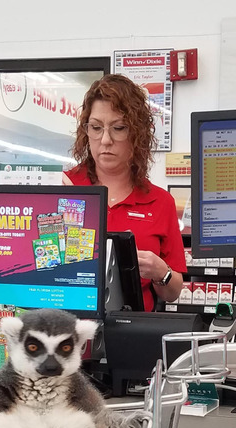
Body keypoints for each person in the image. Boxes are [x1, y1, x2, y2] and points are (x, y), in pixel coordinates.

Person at [64, 74, 186, 311]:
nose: (105, 140)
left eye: (118, 128)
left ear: (137, 133)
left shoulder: (160, 202)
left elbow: (172, 293)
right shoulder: (64, 187)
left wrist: (161, 273)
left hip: (130, 333)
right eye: (96, 128)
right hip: (68, 328)